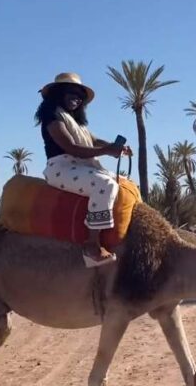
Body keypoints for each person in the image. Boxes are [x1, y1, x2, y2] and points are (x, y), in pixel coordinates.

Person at [36, 72, 132, 267]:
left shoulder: (75, 122)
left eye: (80, 95)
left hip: (81, 166)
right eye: (71, 92)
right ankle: (92, 245)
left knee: (124, 182)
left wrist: (116, 147)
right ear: (59, 93)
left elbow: (93, 141)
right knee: (104, 185)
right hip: (61, 168)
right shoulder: (52, 116)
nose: (76, 98)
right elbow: (71, 148)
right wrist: (106, 150)